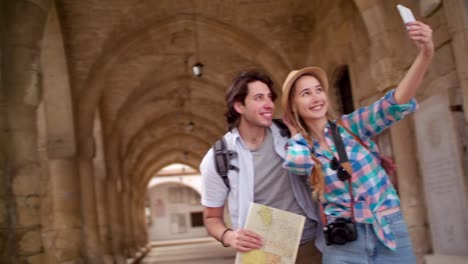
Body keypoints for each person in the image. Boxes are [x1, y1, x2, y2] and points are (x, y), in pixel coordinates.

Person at [281, 20, 433, 264]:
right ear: (294, 106)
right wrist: (295, 132)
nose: (316, 97)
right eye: (305, 93)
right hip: (344, 240)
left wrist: (425, 54)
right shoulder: (299, 146)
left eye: (318, 90)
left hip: (388, 230)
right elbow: (297, 163)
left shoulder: (351, 126)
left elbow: (392, 104)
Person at [200, 71, 323, 263]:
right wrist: (229, 236)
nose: (269, 104)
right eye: (258, 98)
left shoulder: (290, 132)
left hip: (313, 245)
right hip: (263, 255)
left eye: (269, 97)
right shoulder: (217, 158)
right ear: (239, 106)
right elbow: (211, 218)